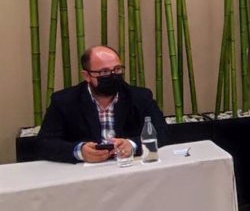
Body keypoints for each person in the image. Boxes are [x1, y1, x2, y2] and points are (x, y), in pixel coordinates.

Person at [37, 46, 169, 163]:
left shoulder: (139, 97)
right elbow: (45, 143)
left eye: (117, 70)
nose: (113, 76)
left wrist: (132, 144)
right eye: (104, 72)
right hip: (82, 175)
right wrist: (79, 151)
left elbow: (162, 132)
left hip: (128, 167)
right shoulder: (64, 101)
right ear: (87, 76)